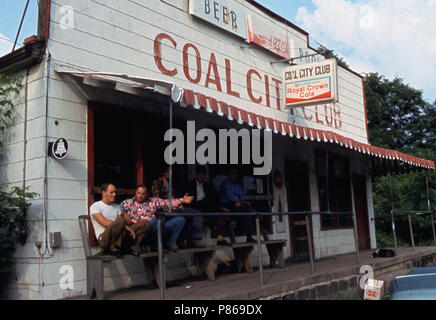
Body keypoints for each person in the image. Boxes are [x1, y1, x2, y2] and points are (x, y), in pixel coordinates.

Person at [120, 184, 194, 252]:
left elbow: (166, 203)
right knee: (158, 219)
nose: (140, 196)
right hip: (143, 230)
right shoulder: (127, 203)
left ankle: (167, 245)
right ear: (135, 192)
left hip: (156, 227)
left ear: (147, 194)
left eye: (143, 194)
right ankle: (155, 246)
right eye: (138, 193)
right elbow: (116, 210)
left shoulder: (153, 201)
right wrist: (123, 213)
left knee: (180, 220)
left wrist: (182, 200)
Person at [89, 183, 150, 258]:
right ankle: (115, 248)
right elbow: (105, 223)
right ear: (103, 193)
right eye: (111, 192)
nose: (114, 194)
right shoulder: (96, 206)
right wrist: (126, 227)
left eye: (115, 192)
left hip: (120, 237)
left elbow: (123, 222)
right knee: (121, 220)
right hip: (105, 239)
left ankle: (125, 247)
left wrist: (129, 228)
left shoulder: (117, 207)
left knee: (145, 223)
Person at [151, 168, 205, 249]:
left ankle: (193, 240)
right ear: (164, 173)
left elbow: (174, 197)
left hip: (174, 207)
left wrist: (178, 204)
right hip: (164, 209)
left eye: (171, 172)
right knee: (181, 218)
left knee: (196, 213)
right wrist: (174, 204)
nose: (170, 174)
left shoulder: (171, 183)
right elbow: (157, 200)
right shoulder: (157, 183)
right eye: (168, 172)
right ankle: (180, 241)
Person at [187, 166, 231, 246]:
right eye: (200, 174)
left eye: (203, 174)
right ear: (196, 175)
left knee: (219, 213)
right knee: (196, 215)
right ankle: (193, 241)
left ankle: (220, 238)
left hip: (206, 209)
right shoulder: (190, 185)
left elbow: (214, 199)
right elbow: (188, 201)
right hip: (195, 209)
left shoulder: (208, 186)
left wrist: (220, 207)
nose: (202, 176)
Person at [219, 168, 259, 243]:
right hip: (227, 206)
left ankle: (249, 236)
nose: (234, 174)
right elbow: (229, 196)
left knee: (247, 210)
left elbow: (242, 197)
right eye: (232, 172)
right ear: (229, 174)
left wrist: (241, 202)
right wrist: (240, 201)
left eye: (235, 173)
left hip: (237, 205)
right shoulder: (226, 183)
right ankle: (256, 215)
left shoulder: (238, 184)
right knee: (248, 208)